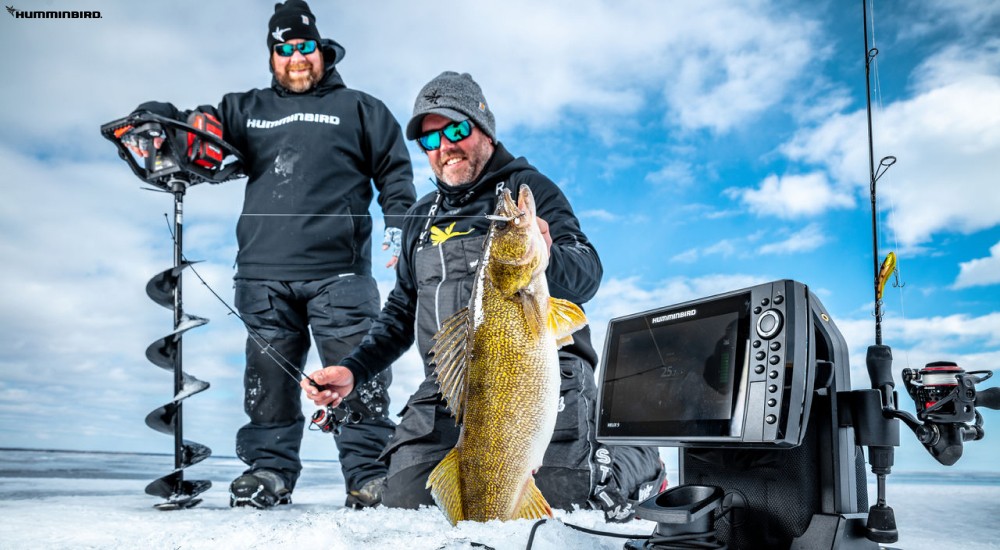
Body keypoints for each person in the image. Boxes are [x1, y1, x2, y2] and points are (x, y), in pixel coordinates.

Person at [302, 71, 664, 521]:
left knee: (561, 496)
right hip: (452, 384)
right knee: (406, 500)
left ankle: (638, 460)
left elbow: (587, 272)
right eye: (429, 140)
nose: (443, 146)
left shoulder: (530, 188)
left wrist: (548, 258)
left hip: (533, 373)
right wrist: (354, 370)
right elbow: (401, 312)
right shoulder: (420, 216)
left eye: (455, 129)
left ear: (484, 128)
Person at [124, 0, 415, 509]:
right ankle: (269, 472)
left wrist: (399, 229)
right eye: (284, 49)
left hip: (340, 274)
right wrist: (154, 120)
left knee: (358, 377)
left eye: (304, 47)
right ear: (272, 56)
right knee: (268, 384)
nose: (295, 58)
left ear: (321, 50)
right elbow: (196, 134)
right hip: (261, 276)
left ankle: (368, 474)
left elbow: (395, 174)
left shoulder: (362, 109)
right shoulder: (244, 108)